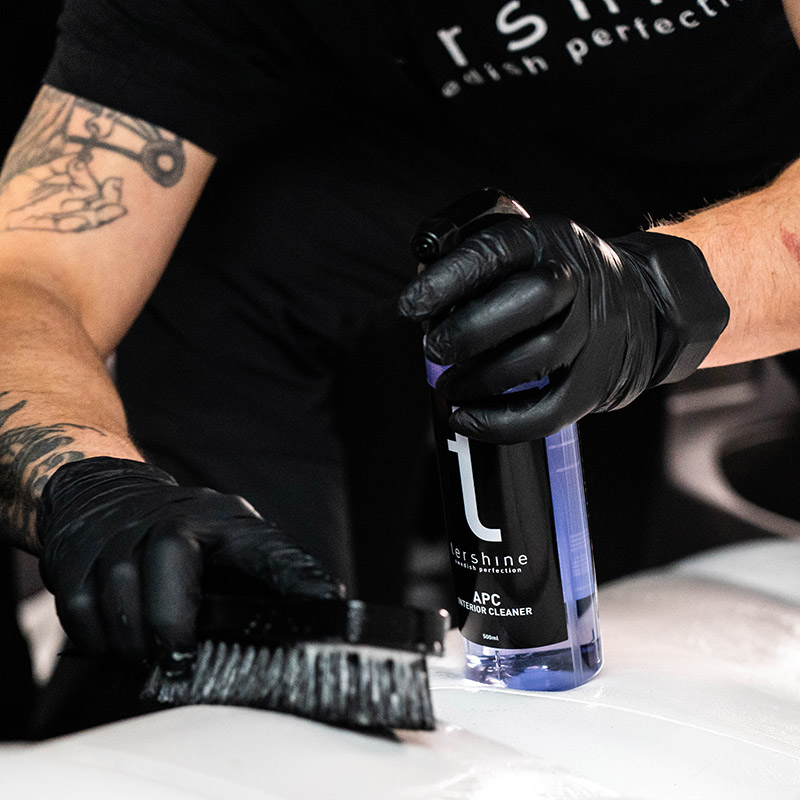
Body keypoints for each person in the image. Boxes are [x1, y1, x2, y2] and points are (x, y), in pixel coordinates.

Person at [1, 0, 799, 731]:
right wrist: (83, 482)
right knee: (240, 251)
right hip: (483, 173)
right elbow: (32, 274)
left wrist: (657, 294)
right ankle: (281, 722)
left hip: (769, 188)